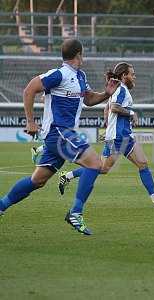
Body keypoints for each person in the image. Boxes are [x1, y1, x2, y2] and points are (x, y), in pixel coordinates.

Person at [0, 39, 120, 235]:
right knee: (95, 164)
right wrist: (30, 121)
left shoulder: (80, 76)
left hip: (63, 135)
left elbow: (88, 99)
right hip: (59, 133)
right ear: (79, 54)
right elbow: (29, 89)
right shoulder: (59, 74)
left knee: (37, 180)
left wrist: (106, 93)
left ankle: (1, 205)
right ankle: (75, 213)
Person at [58, 62, 154, 207]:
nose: (134, 77)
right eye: (132, 74)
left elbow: (107, 108)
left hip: (124, 136)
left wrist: (107, 124)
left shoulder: (120, 90)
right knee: (103, 168)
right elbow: (113, 107)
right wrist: (131, 113)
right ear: (124, 75)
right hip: (118, 138)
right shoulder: (121, 90)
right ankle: (67, 176)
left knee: (142, 163)